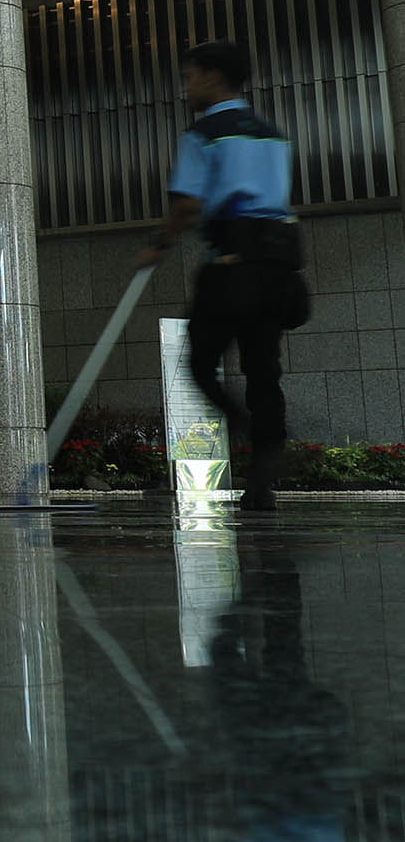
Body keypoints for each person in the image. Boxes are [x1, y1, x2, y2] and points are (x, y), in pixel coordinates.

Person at [137, 40, 302, 509]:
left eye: (190, 76)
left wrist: (159, 242)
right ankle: (263, 479)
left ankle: (245, 428)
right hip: (278, 262)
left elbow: (188, 205)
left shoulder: (204, 133)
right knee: (263, 370)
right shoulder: (270, 133)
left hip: (231, 263)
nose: (186, 87)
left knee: (199, 362)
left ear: (212, 77)